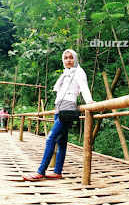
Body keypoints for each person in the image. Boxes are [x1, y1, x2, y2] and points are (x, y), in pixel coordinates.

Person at [22, 49, 95, 181]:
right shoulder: (66, 73)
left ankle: (41, 171)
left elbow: (84, 87)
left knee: (50, 139)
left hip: (68, 109)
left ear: (75, 59)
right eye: (66, 57)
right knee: (61, 142)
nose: (68, 60)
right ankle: (57, 172)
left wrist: (89, 101)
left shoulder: (78, 71)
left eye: (71, 57)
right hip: (59, 109)